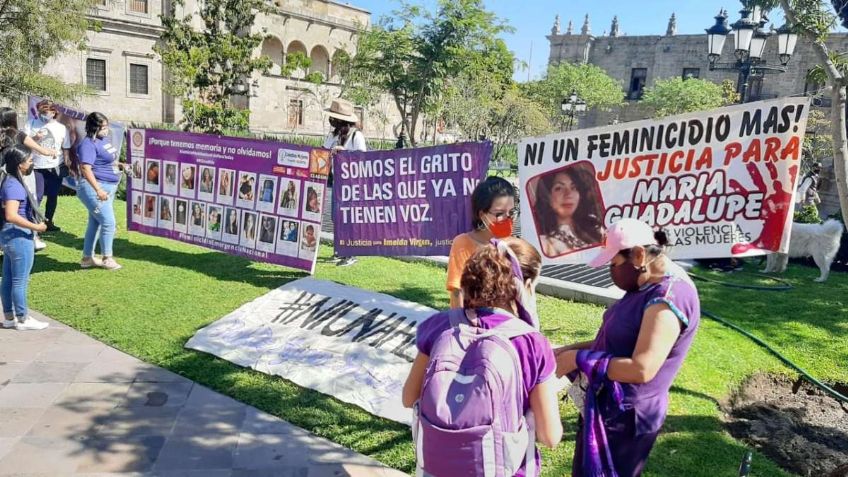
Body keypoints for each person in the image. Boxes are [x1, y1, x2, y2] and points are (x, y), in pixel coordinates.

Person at [402, 237, 562, 476]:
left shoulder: (438, 326)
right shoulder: (530, 343)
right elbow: (550, 436)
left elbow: (408, 397)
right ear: (524, 286)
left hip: (438, 469)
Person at [554, 218, 700, 477]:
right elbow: (615, 339)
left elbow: (641, 369)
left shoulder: (666, 300)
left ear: (639, 255)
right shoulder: (643, 284)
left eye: (614, 263)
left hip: (625, 418)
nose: (611, 270)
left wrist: (577, 359)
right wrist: (565, 352)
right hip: (604, 405)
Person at [447, 176, 517, 309]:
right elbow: (457, 292)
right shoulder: (462, 244)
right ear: (482, 214)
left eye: (511, 212)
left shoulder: (512, 245)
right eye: (499, 213)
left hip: (505, 325)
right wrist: (461, 326)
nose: (507, 218)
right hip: (473, 324)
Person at [0, 145, 50, 330]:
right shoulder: (14, 186)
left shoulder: (8, 181)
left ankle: (9, 317)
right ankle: (23, 318)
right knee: (19, 280)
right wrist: (36, 226)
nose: (32, 163)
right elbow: (11, 215)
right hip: (18, 236)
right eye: (29, 160)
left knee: (8, 277)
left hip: (9, 235)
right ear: (20, 164)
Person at [75, 112, 124, 270]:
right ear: (95, 127)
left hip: (107, 186)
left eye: (107, 126)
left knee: (95, 223)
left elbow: (105, 161)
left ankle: (87, 258)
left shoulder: (103, 141)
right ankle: (107, 258)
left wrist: (120, 165)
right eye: (103, 127)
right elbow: (86, 168)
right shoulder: (88, 144)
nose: (106, 129)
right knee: (109, 222)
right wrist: (98, 190)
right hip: (94, 188)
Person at [324, 99, 366, 267]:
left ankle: (351, 252)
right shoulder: (333, 136)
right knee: (336, 216)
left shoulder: (356, 136)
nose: (332, 121)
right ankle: (339, 249)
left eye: (335, 119)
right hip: (337, 181)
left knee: (349, 218)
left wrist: (345, 152)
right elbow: (323, 151)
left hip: (352, 183)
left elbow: (363, 159)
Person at [534, 167, 605, 257]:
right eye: (559, 188)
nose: (568, 194)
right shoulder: (544, 242)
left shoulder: (594, 224)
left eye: (574, 187)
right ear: (546, 197)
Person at [25, 100, 70, 235]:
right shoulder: (31, 123)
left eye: (47, 112)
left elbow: (65, 146)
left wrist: (67, 159)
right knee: (37, 196)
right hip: (37, 165)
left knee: (52, 195)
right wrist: (35, 137)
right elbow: (24, 141)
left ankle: (49, 221)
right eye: (42, 112)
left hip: (55, 165)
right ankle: (34, 223)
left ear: (54, 112)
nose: (44, 115)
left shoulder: (61, 128)